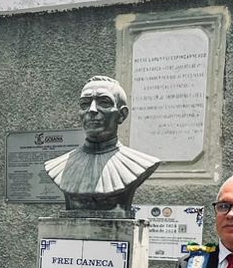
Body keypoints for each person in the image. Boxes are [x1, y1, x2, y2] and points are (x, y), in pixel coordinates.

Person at [43, 76, 161, 211]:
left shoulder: (143, 164)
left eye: (104, 103)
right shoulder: (57, 165)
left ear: (122, 115)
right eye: (85, 104)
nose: (92, 110)